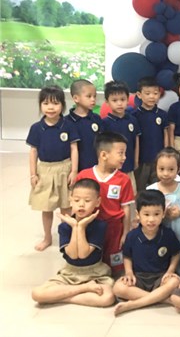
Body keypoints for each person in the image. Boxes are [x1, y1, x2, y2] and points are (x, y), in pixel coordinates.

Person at [31, 178, 115, 307]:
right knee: (37, 294)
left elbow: (83, 254)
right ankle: (83, 289)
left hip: (95, 273)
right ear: (70, 200)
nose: (81, 204)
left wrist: (80, 227)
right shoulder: (64, 227)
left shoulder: (100, 225)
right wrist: (75, 227)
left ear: (97, 202)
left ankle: (60, 296)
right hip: (70, 272)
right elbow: (73, 255)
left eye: (87, 201)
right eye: (76, 200)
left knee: (107, 298)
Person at [27, 85, 80, 251]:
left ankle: (67, 237)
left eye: (55, 103)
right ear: (40, 105)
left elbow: (74, 148)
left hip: (65, 168)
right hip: (45, 170)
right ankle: (47, 237)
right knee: (46, 207)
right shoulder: (36, 128)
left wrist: (74, 171)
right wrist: (33, 174)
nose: (50, 107)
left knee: (66, 207)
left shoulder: (68, 125)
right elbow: (33, 151)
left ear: (62, 105)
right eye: (46, 103)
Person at [113, 190, 180, 315]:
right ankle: (164, 300)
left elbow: (176, 254)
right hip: (139, 277)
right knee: (118, 288)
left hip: (160, 277)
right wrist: (129, 272)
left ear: (163, 214)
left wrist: (170, 271)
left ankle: (134, 304)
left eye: (156, 214)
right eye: (146, 214)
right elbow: (127, 256)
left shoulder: (168, 234)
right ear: (138, 214)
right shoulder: (132, 236)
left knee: (175, 282)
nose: (151, 219)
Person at [76, 131, 134, 275]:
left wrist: (125, 233)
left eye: (125, 153)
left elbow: (126, 208)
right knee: (91, 260)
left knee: (114, 265)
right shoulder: (84, 175)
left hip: (114, 229)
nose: (124, 157)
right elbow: (76, 203)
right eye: (120, 153)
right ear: (103, 155)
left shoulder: (124, 179)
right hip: (90, 227)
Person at [147, 147, 180, 247]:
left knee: (179, 251)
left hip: (178, 231)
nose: (166, 173)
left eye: (171, 169)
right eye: (161, 169)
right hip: (158, 230)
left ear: (178, 169)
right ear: (156, 168)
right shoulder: (151, 190)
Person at [102, 80, 140, 194]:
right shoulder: (105, 123)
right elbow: (103, 146)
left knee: (130, 194)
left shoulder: (132, 120)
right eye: (114, 100)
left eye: (122, 99)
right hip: (111, 169)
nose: (119, 103)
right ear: (107, 102)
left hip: (129, 166)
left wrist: (136, 160)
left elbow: (136, 140)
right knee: (113, 196)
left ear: (128, 100)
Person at [133, 77, 169, 190]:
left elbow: (166, 134)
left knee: (159, 188)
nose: (152, 97)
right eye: (147, 93)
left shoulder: (162, 114)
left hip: (158, 159)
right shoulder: (134, 116)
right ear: (139, 95)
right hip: (141, 160)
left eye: (155, 93)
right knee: (140, 188)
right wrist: (135, 159)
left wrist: (166, 153)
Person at [68, 79, 103, 172]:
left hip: (96, 167)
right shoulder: (66, 121)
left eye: (94, 96)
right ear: (76, 98)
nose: (93, 99)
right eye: (89, 96)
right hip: (74, 169)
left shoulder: (97, 119)